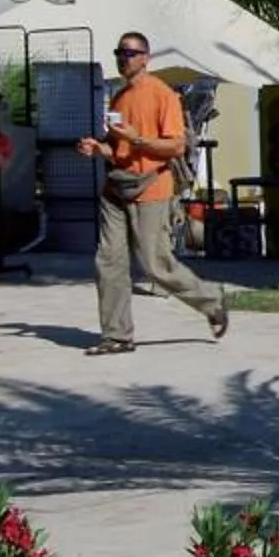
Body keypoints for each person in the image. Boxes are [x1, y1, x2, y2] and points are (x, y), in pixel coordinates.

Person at [76, 32, 228, 354]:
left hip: (151, 187)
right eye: (119, 52)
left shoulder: (162, 96)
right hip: (116, 188)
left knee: (155, 264)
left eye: (130, 53)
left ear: (146, 57)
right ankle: (116, 335)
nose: (123, 58)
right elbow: (119, 148)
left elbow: (175, 145)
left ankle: (211, 301)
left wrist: (138, 139)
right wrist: (98, 148)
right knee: (109, 261)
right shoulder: (118, 97)